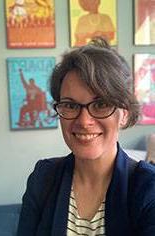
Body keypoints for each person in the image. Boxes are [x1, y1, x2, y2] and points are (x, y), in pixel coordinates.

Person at [17, 38, 155, 235]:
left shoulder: (148, 187)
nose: (84, 121)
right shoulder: (43, 178)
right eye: (71, 105)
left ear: (123, 114)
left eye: (101, 105)